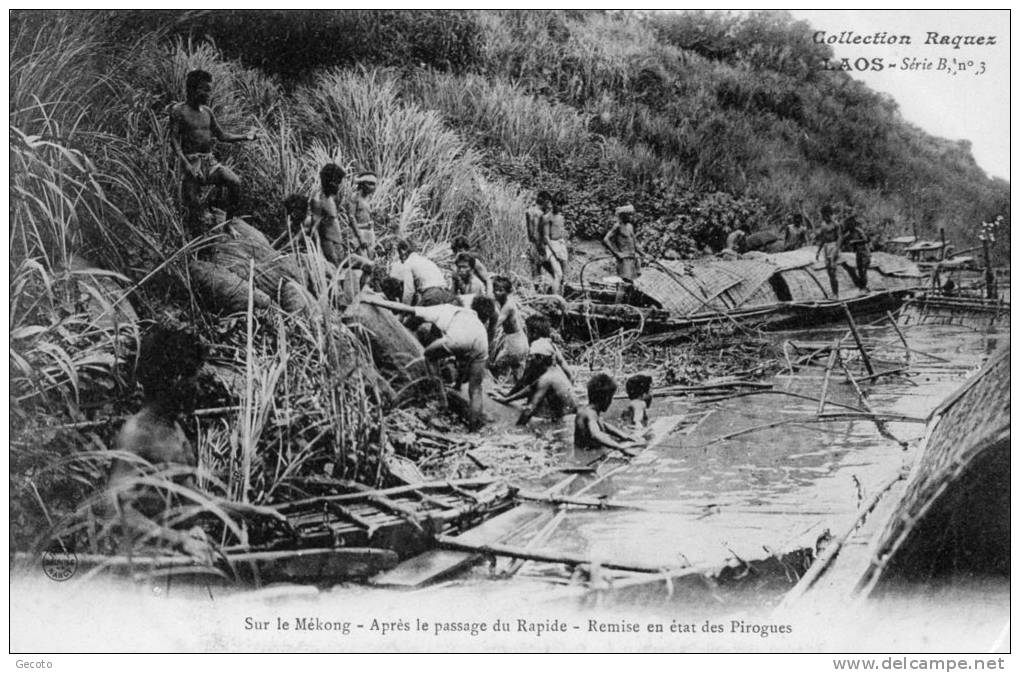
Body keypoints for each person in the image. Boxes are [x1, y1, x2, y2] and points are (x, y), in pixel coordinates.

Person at [107, 325, 212, 559]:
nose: (198, 387)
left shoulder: (174, 428)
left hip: (183, 555)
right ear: (175, 379)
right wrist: (178, 540)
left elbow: (194, 500)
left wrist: (253, 512)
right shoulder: (136, 434)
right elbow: (114, 511)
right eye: (194, 377)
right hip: (148, 560)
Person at [361, 295, 495, 430]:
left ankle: (441, 397)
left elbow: (407, 309)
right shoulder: (477, 321)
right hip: (481, 341)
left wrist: (374, 301)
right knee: (476, 388)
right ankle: (474, 429)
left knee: (429, 355)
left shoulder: (445, 309)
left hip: (457, 339)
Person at [170, 70, 257, 227]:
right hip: (191, 162)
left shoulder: (207, 112)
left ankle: (228, 225)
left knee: (235, 182)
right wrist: (187, 165)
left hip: (210, 162)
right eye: (205, 90)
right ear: (193, 89)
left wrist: (246, 137)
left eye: (209, 90)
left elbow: (222, 135)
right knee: (196, 210)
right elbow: (174, 141)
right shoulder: (179, 111)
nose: (208, 94)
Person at [574, 373, 643, 453]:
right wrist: (620, 447)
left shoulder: (588, 411)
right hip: (588, 456)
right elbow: (596, 434)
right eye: (611, 398)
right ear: (606, 398)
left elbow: (604, 425)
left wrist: (625, 436)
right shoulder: (590, 414)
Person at [489, 276, 529, 381]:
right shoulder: (506, 302)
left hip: (515, 342)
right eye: (495, 290)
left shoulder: (508, 306)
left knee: (495, 366)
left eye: (501, 290)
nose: (497, 292)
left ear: (508, 292)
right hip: (520, 340)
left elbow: (496, 324)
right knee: (517, 372)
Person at [395, 238, 452, 306]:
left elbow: (409, 292)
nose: (400, 258)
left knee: (414, 315)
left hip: (432, 295)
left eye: (399, 254)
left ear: (402, 251)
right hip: (446, 294)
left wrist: (403, 310)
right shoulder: (427, 261)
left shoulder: (408, 263)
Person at [309, 163, 347, 265]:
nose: (340, 186)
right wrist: (319, 251)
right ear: (332, 182)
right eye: (338, 183)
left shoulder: (331, 198)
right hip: (329, 245)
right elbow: (315, 229)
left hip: (338, 244)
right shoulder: (318, 200)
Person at [603, 204, 642, 299]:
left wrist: (644, 254)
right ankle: (618, 305)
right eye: (629, 215)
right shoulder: (617, 226)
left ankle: (628, 304)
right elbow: (606, 239)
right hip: (624, 261)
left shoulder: (630, 226)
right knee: (624, 285)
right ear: (623, 215)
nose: (631, 217)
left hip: (633, 259)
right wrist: (617, 253)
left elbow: (635, 243)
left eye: (632, 215)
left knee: (632, 284)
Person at [539, 193, 569, 295]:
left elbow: (561, 231)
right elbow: (546, 237)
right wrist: (555, 252)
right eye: (556, 204)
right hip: (552, 245)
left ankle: (561, 295)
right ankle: (556, 299)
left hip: (561, 244)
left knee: (563, 276)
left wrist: (564, 243)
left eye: (561, 205)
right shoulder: (547, 217)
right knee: (558, 274)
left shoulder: (561, 216)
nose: (558, 206)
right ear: (552, 203)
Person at [347, 171, 378, 259]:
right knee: (363, 261)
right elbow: (351, 218)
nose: (373, 187)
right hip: (359, 233)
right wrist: (361, 238)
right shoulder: (355, 197)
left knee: (371, 259)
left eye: (374, 184)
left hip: (369, 233)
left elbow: (364, 214)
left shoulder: (368, 198)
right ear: (363, 184)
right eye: (371, 184)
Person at [815, 205, 842, 296]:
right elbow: (823, 239)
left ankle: (836, 294)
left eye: (824, 215)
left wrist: (836, 250)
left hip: (833, 245)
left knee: (833, 270)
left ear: (829, 214)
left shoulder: (835, 224)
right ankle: (834, 293)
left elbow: (839, 238)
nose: (823, 216)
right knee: (829, 271)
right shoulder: (823, 225)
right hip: (826, 246)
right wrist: (818, 251)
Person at [526, 191, 552, 282]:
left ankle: (537, 294)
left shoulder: (529, 210)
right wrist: (541, 248)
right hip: (538, 245)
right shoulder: (539, 213)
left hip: (531, 245)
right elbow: (536, 232)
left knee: (536, 274)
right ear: (545, 201)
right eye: (548, 202)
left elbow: (530, 231)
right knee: (555, 272)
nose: (548, 205)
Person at [842, 215, 871, 291]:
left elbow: (866, 240)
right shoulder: (850, 233)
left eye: (850, 224)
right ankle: (863, 286)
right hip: (859, 253)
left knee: (863, 270)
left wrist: (854, 242)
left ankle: (864, 287)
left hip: (864, 252)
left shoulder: (858, 231)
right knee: (860, 269)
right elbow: (843, 239)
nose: (849, 226)